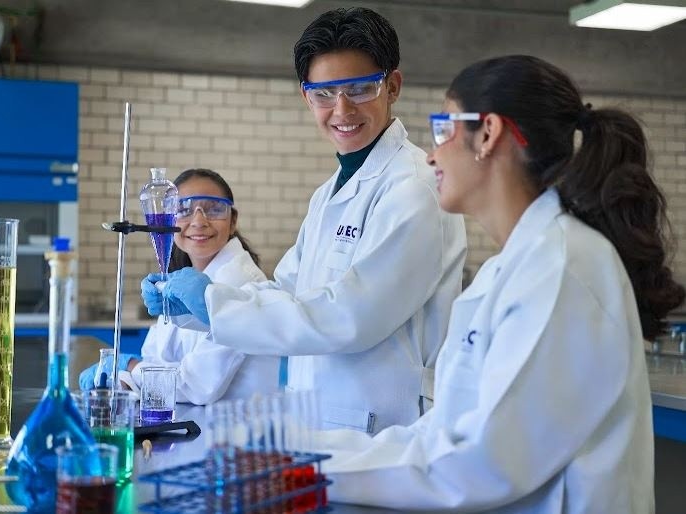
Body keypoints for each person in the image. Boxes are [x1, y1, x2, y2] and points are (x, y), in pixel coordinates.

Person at [308, 55, 686, 512]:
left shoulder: (561, 268)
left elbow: (484, 463)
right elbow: (447, 432)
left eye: (443, 130)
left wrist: (309, 469)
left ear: (487, 133)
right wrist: (306, 454)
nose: (432, 155)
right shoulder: (511, 268)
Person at [142, 7, 467, 434]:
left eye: (359, 89)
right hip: (325, 422)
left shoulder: (414, 188)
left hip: (388, 426)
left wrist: (215, 304)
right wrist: (196, 310)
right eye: (324, 93)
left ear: (392, 86)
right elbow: (286, 291)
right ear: (306, 97)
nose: (342, 109)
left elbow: (351, 317)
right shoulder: (328, 194)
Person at [79, 169, 280, 405]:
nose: (199, 221)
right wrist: (126, 379)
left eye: (214, 209)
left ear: (233, 220)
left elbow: (197, 385)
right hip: (187, 419)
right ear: (168, 219)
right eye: (183, 209)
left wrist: (129, 365)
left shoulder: (240, 281)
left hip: (236, 425)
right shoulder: (184, 281)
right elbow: (154, 358)